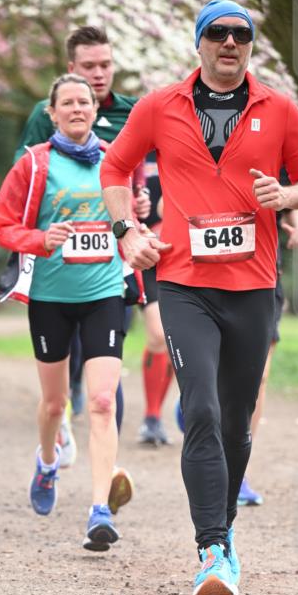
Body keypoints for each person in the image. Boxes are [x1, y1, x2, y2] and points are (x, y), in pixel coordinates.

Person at [101, 0, 298, 595]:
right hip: (181, 283)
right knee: (199, 409)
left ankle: (222, 533)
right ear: (199, 43)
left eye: (241, 35)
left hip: (254, 287)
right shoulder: (159, 105)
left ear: (251, 45)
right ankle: (211, 550)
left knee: (236, 420)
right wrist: (129, 234)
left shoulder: (278, 108)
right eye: (218, 33)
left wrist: (287, 195)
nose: (230, 43)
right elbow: (114, 169)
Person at [0, 73, 131, 550]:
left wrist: (135, 218)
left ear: (96, 110)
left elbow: (128, 218)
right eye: (67, 103)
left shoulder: (116, 161)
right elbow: (2, 225)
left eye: (84, 102)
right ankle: (48, 461)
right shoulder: (34, 164)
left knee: (102, 401)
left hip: (105, 293)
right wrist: (38, 239)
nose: (77, 109)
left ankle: (98, 510)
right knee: (54, 404)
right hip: (51, 298)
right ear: (51, 113)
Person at [15, 26, 149, 464]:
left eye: (105, 65)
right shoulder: (45, 112)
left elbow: (139, 171)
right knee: (67, 367)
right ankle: (61, 425)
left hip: (115, 255)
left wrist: (140, 201)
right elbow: (27, 177)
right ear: (71, 68)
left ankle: (108, 471)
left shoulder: (133, 112)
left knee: (108, 365)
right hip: (59, 263)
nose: (98, 73)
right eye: (88, 66)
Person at [237, 202, 298, 506]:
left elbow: (294, 194)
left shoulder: (275, 154)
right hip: (210, 276)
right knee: (216, 372)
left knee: (258, 377)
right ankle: (198, 398)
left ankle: (238, 469)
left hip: (265, 275)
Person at [137, 154, 174, 446]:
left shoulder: (182, 142)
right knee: (158, 334)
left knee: (178, 339)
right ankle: (151, 417)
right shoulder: (134, 147)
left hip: (179, 252)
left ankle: (159, 415)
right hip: (144, 254)